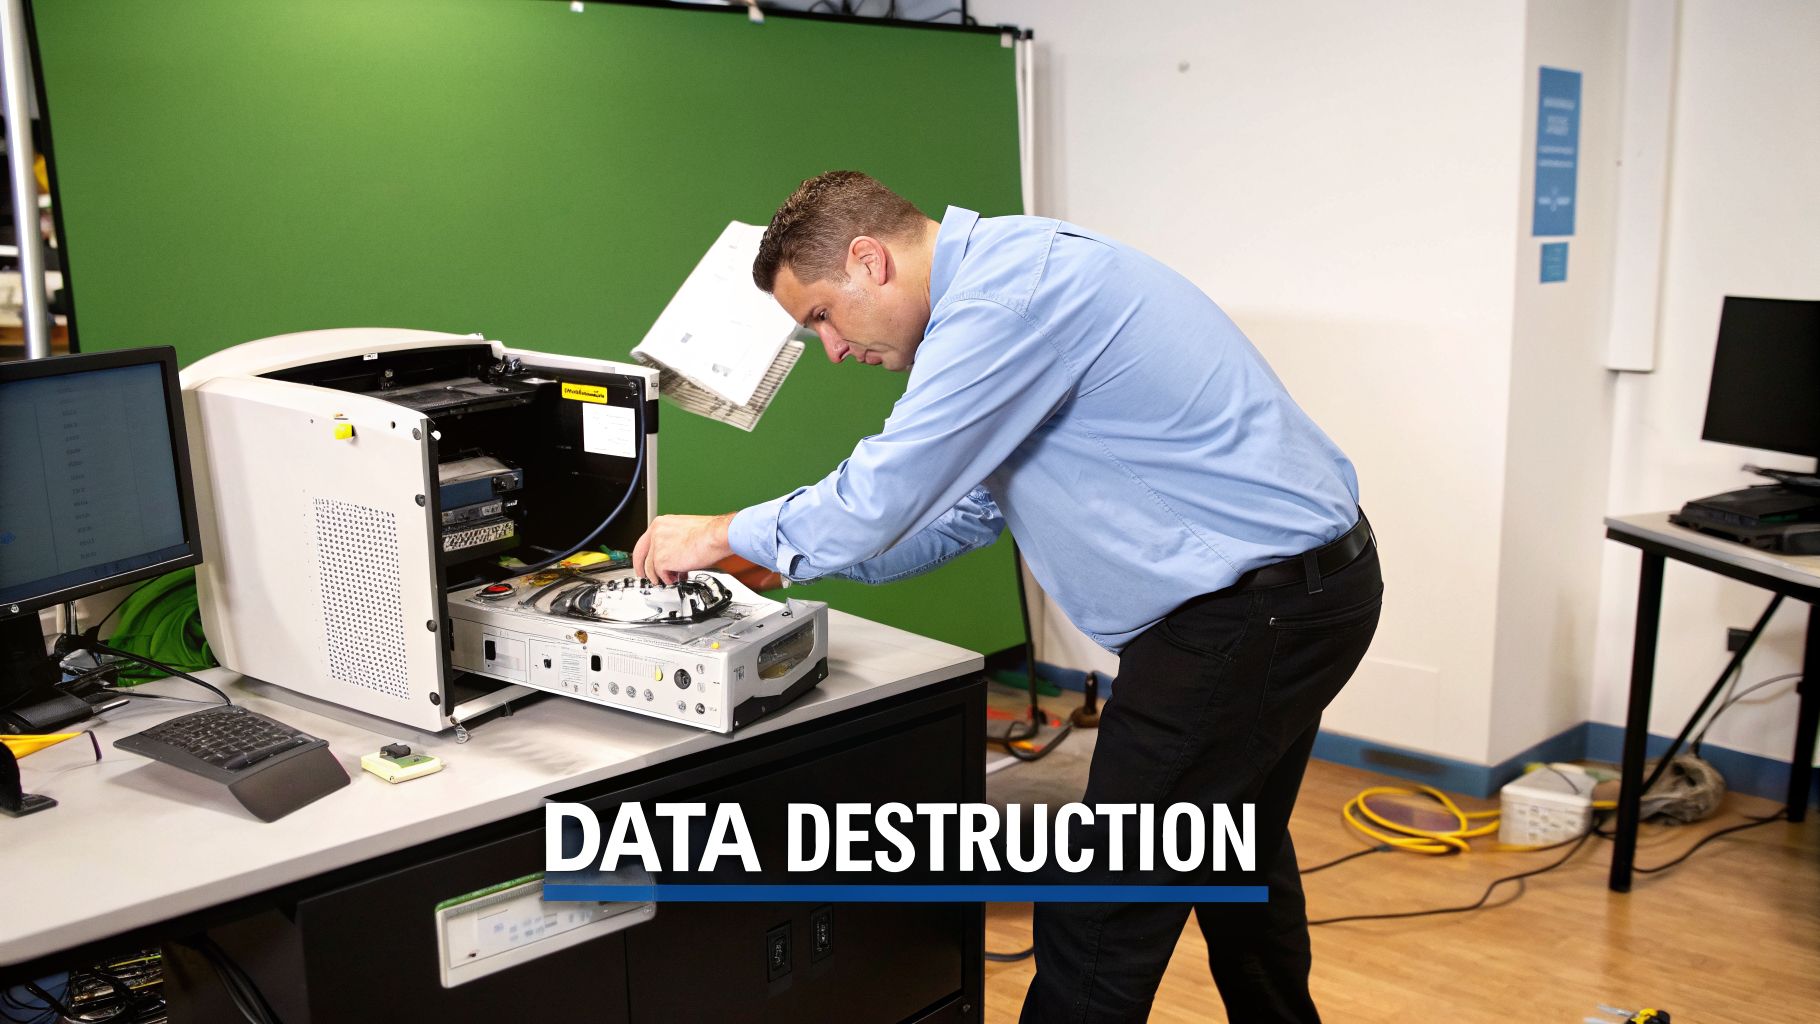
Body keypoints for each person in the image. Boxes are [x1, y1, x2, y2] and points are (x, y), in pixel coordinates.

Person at [633, 170, 1382, 1023]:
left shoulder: (1004, 305)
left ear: (869, 260)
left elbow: (879, 494)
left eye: (822, 317)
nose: (833, 350)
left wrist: (720, 531)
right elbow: (961, 515)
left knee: (1099, 914)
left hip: (1250, 616)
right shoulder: (1009, 276)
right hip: (1304, 592)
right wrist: (780, 562)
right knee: (1233, 857)